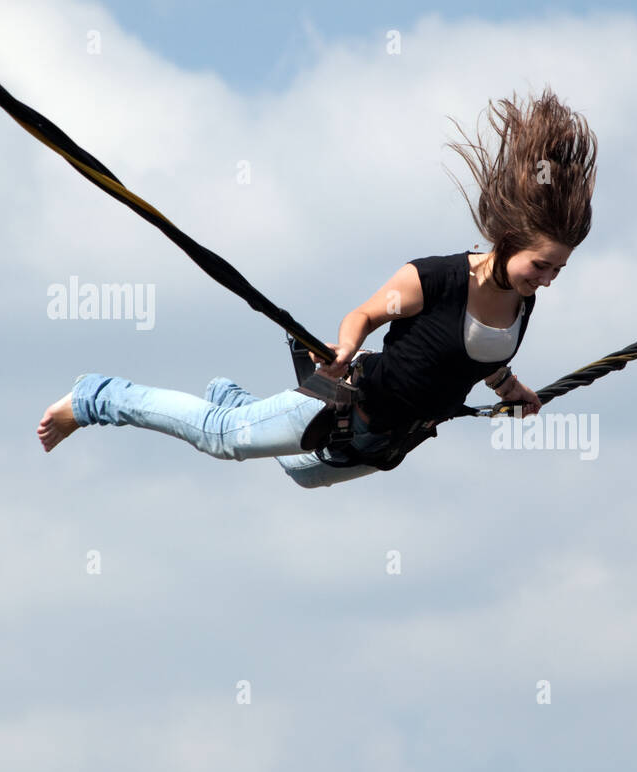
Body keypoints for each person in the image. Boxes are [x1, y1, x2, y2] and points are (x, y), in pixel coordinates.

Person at [36, 87, 598, 489]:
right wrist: (344, 349)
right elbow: (364, 315)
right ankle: (95, 397)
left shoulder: (521, 299)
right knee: (223, 439)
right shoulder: (436, 278)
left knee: (300, 476)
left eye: (557, 271)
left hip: (388, 443)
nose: (547, 280)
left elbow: (471, 353)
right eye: (542, 265)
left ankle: (232, 398)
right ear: (507, 239)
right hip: (348, 408)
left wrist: (510, 388)